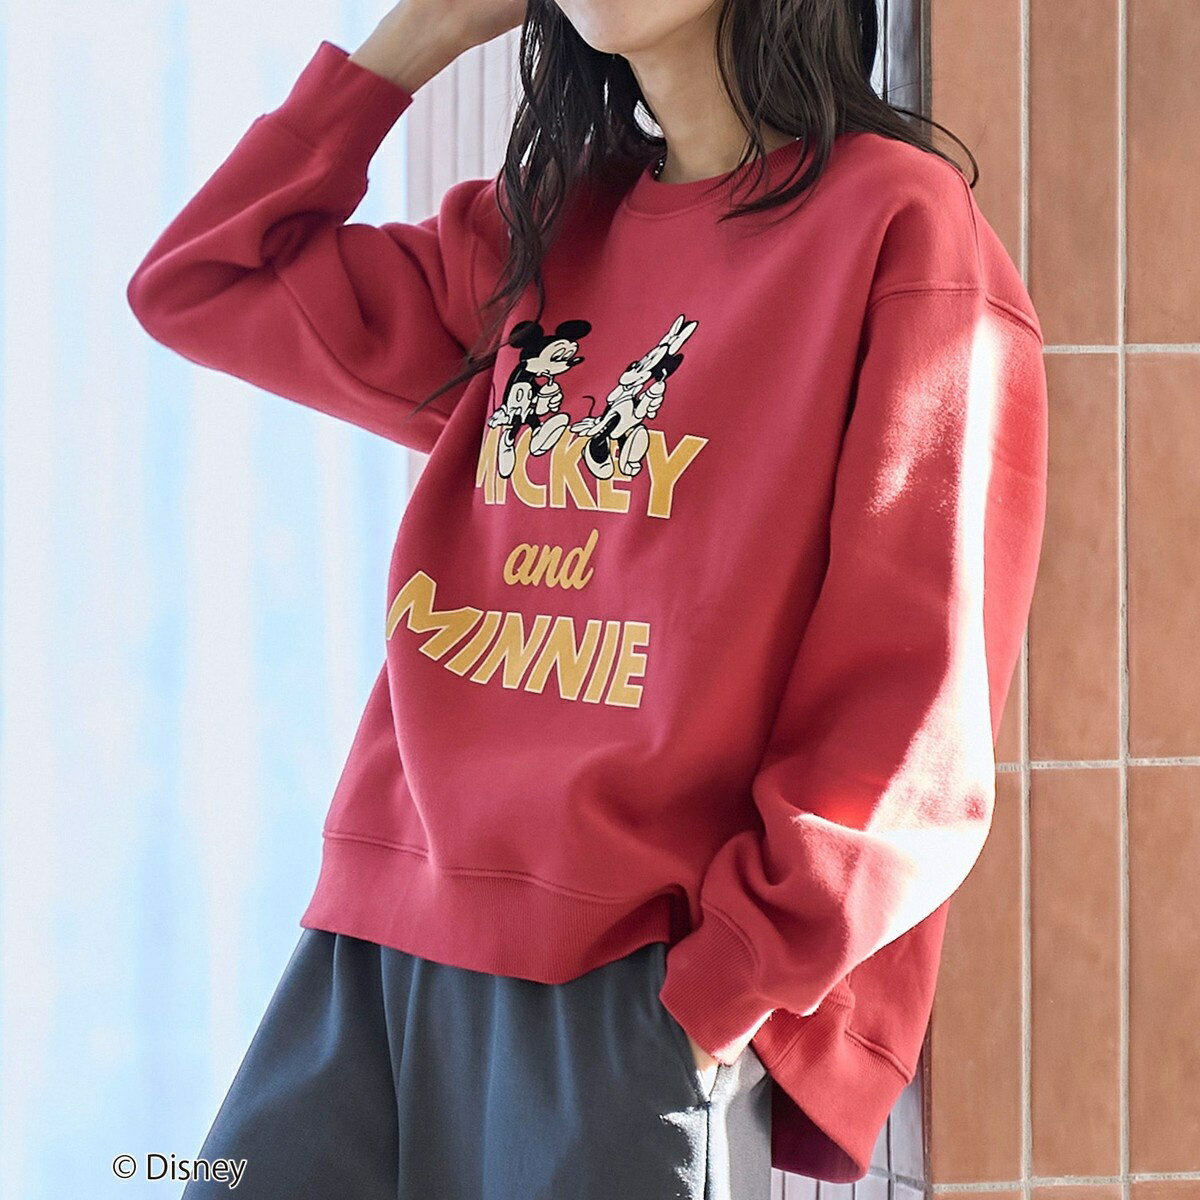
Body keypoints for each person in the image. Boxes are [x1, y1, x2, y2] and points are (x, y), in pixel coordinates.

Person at [125, 0, 1049, 1196]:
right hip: (376, 941)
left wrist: (720, 987)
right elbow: (204, 282)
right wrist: (417, 36)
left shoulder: (895, 226)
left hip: (623, 980)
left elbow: (913, 691)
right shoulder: (546, 227)